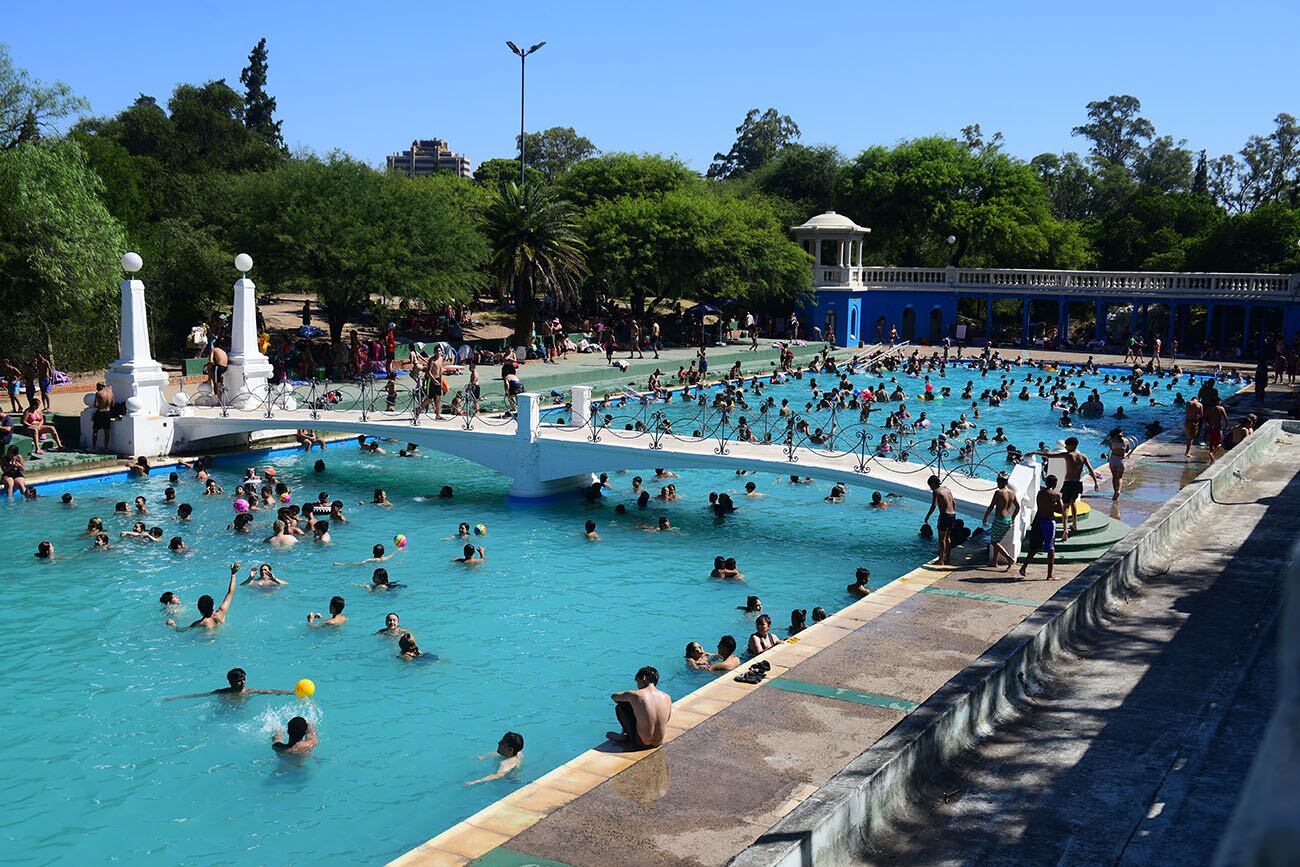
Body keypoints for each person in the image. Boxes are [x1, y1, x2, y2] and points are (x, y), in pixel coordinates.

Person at [1025, 437, 1098, 539]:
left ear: (1072, 445)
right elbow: (1091, 470)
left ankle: (1065, 530)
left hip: (1068, 483)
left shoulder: (1067, 455)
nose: (1066, 448)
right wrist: (1096, 483)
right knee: (1073, 503)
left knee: (1065, 507)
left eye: (1067, 446)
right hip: (1078, 483)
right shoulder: (1083, 457)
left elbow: (1049, 455)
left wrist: (1035, 452)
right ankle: (1075, 524)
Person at [607, 666, 672, 751]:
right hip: (658, 743)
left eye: (637, 681)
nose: (638, 686)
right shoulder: (667, 697)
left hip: (641, 743)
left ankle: (625, 736)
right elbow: (666, 720)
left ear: (643, 678)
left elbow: (614, 697)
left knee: (621, 705)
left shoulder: (635, 695)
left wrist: (630, 700)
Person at [1019, 475, 1064, 581]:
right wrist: (1057, 504)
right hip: (1048, 521)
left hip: (1037, 520)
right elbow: (1061, 510)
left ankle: (1023, 567)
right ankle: (1049, 575)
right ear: (1055, 484)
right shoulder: (1056, 495)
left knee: (1034, 547)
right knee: (1051, 548)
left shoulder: (1040, 493)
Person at [167, 564, 238, 629]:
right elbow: (230, 592)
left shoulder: (199, 624)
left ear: (199, 609)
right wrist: (233, 574)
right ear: (213, 606)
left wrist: (173, 624)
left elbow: (181, 630)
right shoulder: (221, 613)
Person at [166, 667, 294, 701]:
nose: (243, 682)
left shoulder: (250, 691)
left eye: (244, 679)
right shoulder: (223, 692)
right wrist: (176, 697)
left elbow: (271, 692)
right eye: (239, 680)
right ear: (231, 682)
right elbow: (200, 695)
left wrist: (292, 693)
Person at [982, 474, 1020, 570]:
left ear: (1001, 482)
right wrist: (1013, 517)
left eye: (998, 482)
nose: (997, 484)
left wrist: (985, 517)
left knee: (994, 542)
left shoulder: (998, 492)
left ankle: (1009, 558)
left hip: (999, 520)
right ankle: (994, 562)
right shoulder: (1012, 493)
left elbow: (991, 506)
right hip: (1008, 520)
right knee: (997, 541)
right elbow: (1018, 507)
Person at [923, 475, 957, 565]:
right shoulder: (947, 489)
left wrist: (927, 517)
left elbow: (934, 505)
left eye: (930, 485)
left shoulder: (936, 492)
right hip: (953, 515)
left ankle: (941, 560)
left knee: (941, 539)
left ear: (933, 484)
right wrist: (953, 512)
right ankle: (948, 558)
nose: (931, 488)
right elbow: (954, 502)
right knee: (948, 538)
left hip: (944, 516)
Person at [1104, 428, 1134, 501]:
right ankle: (1118, 491)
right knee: (1119, 477)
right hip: (1121, 460)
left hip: (1113, 459)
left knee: (1114, 477)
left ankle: (1115, 492)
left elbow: (1111, 448)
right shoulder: (1126, 441)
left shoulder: (1112, 441)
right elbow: (1127, 450)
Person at [91, 382, 114, 452]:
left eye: (97, 387)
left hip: (100, 412)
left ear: (101, 386)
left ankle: (94, 448)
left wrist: (100, 406)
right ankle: (106, 448)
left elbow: (95, 405)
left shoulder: (98, 393)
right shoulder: (111, 393)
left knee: (95, 430)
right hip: (108, 413)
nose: (96, 388)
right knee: (106, 431)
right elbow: (112, 404)